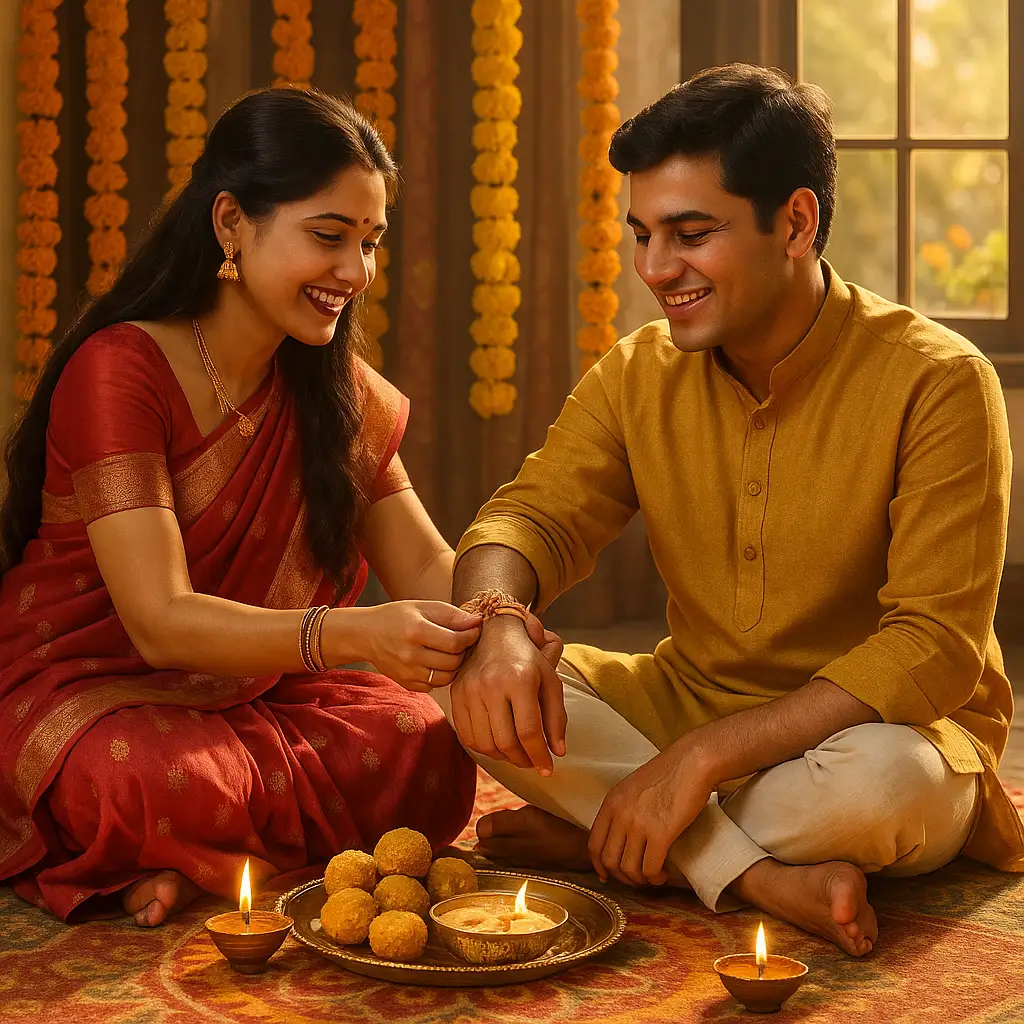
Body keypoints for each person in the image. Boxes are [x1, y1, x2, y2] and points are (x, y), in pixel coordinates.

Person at [432, 64, 1024, 958]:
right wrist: (497, 622)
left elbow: (934, 648)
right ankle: (741, 866)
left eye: (690, 233)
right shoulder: (639, 371)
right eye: (641, 235)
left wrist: (702, 760)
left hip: (877, 738)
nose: (655, 270)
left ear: (796, 222)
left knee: (888, 789)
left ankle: (623, 836)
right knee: (469, 682)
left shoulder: (938, 382)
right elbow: (528, 517)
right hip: (687, 700)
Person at [0, 88, 491, 927]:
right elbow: (158, 623)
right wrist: (353, 635)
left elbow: (431, 568)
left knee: (429, 745)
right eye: (328, 238)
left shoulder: (341, 398)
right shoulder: (123, 371)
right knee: (136, 780)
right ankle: (197, 852)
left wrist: (503, 620)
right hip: (92, 692)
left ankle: (187, 867)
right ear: (231, 222)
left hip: (252, 696)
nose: (356, 275)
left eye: (370, 244)